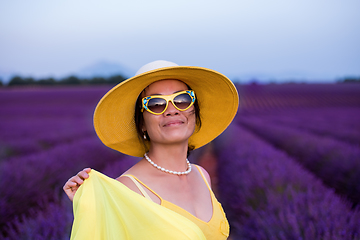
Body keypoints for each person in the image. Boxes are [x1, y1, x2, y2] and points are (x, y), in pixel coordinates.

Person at [63, 60, 239, 239]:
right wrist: (91, 205)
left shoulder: (202, 175)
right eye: (156, 104)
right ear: (142, 124)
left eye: (182, 99)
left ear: (194, 112)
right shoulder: (128, 189)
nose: (172, 110)